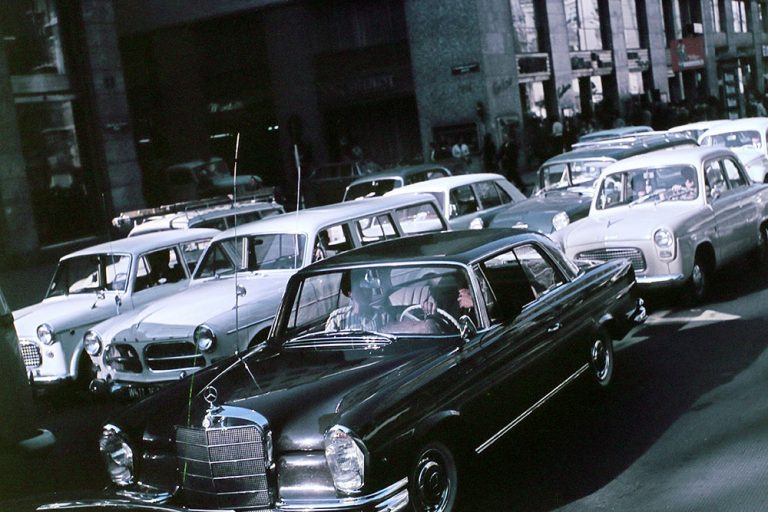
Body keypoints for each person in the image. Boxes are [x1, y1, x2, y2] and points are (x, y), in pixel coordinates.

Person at [326, 272, 390, 331]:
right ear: (350, 293)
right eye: (361, 289)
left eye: (369, 288)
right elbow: (328, 341)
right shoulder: (337, 318)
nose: (367, 292)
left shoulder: (382, 316)